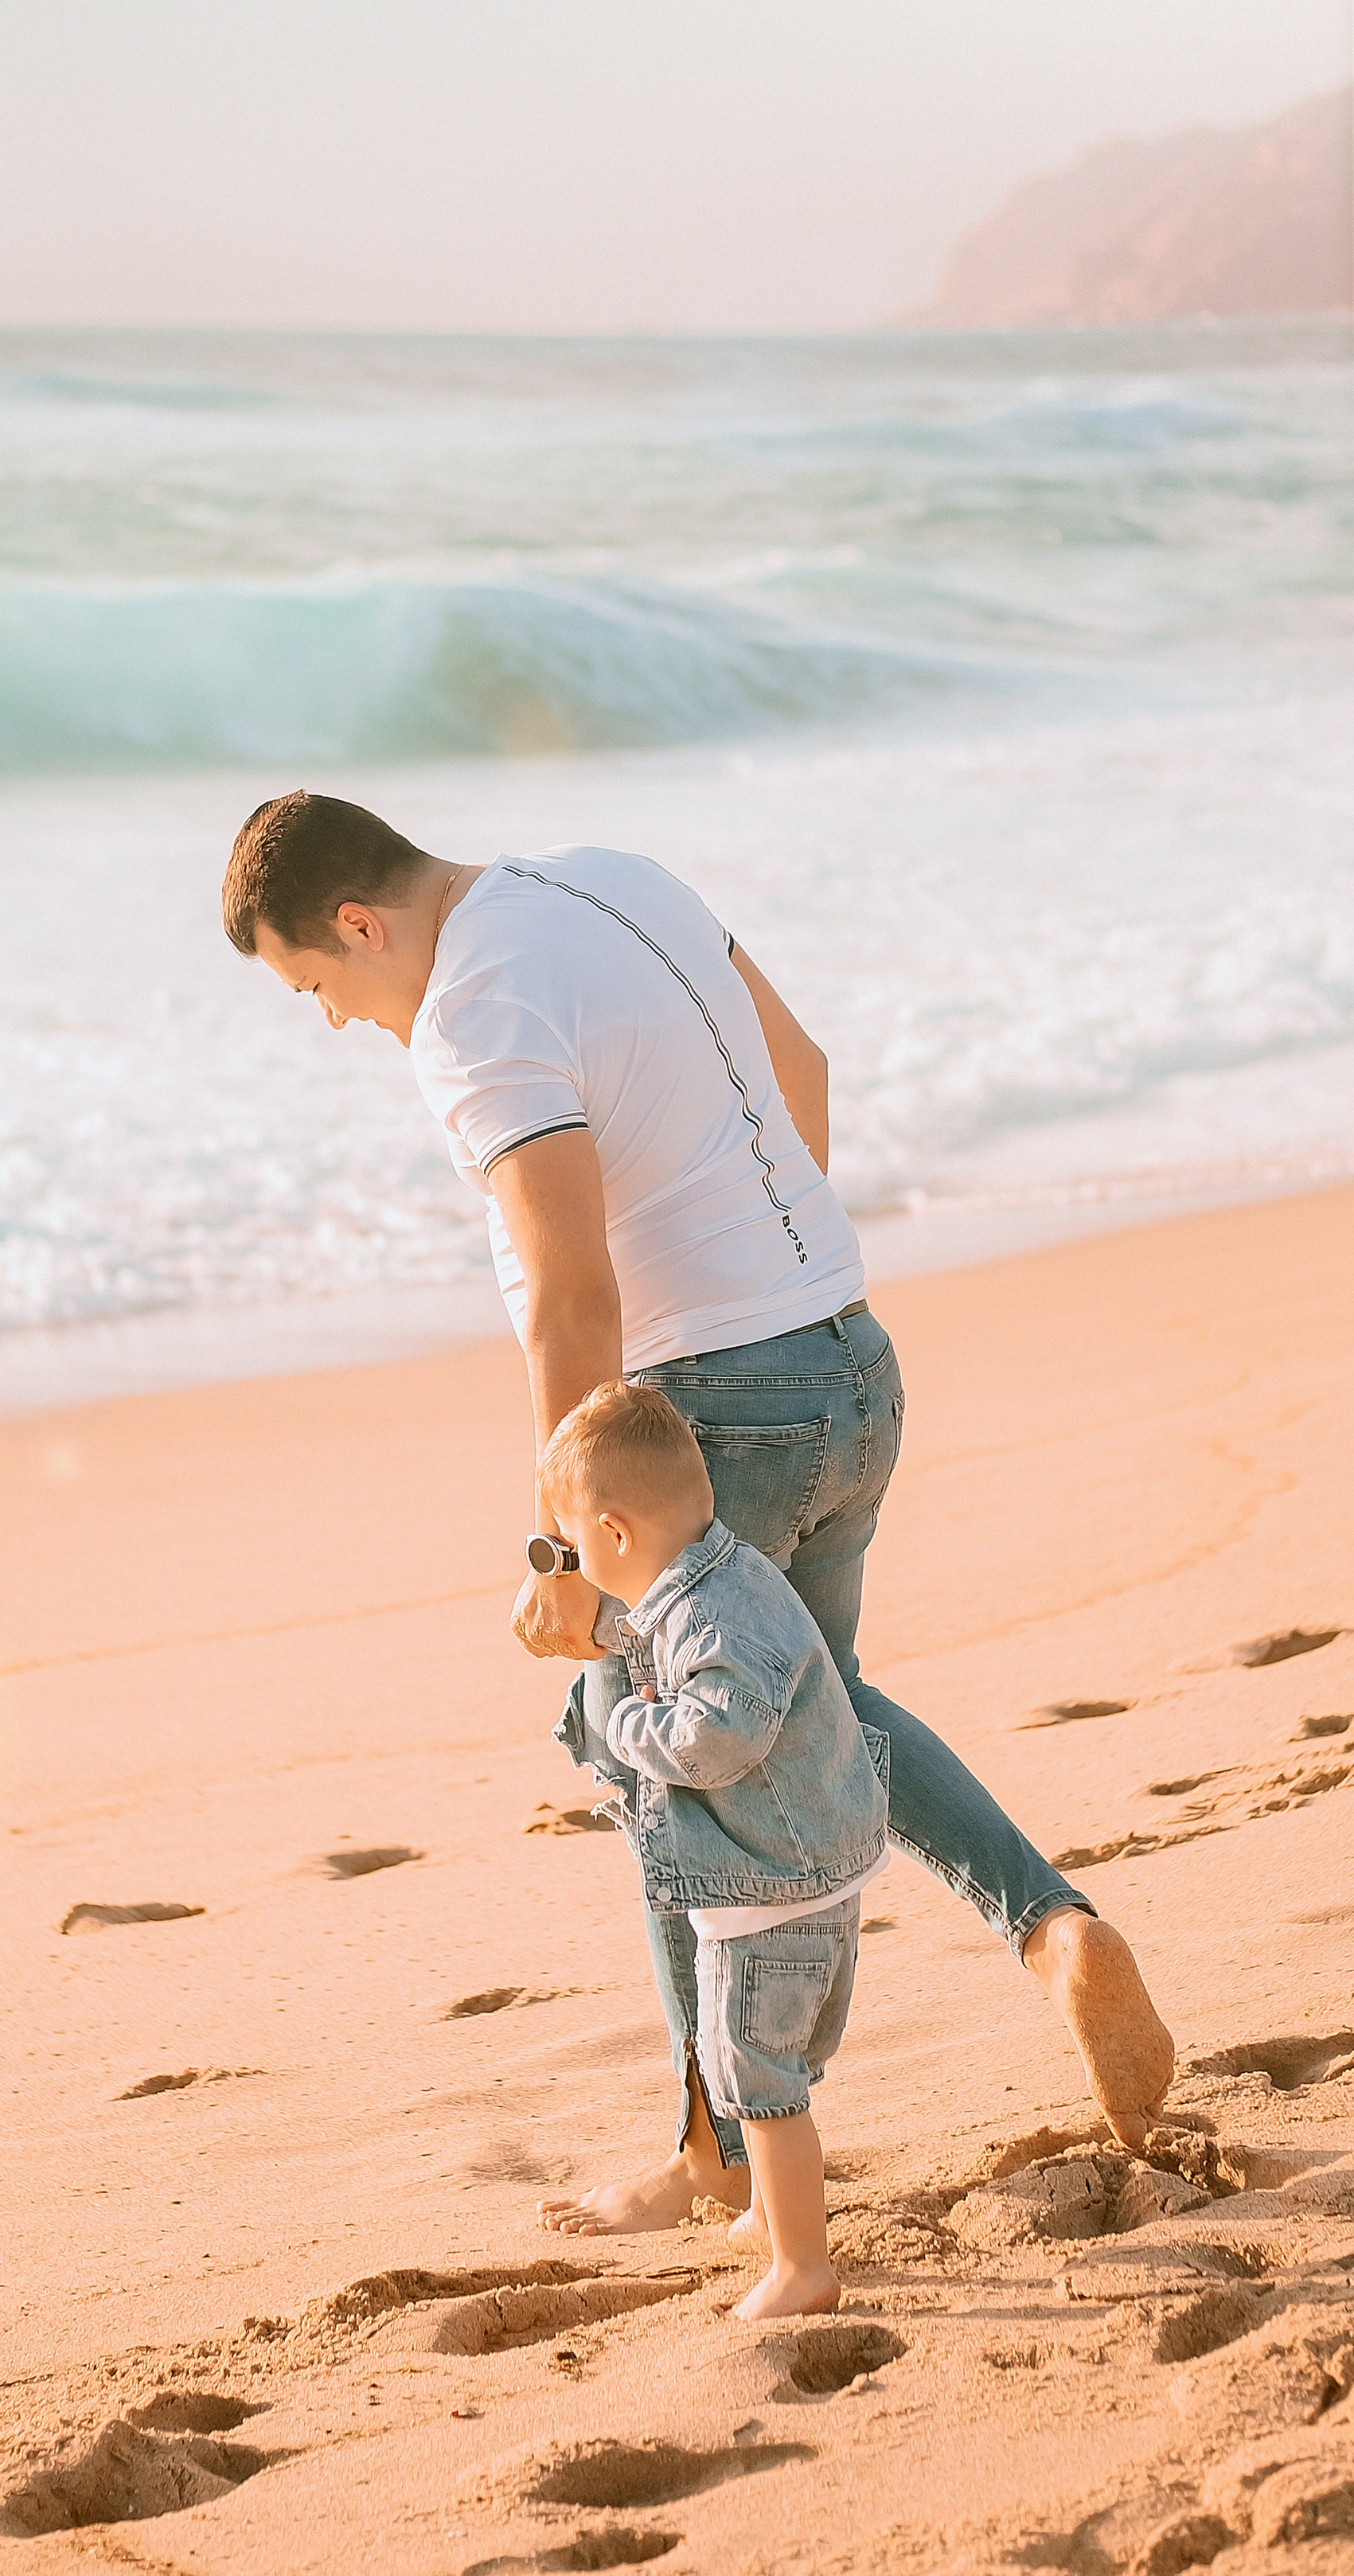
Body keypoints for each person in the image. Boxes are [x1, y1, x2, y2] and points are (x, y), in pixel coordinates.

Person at [221, 790, 1176, 2233]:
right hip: (848, 1359)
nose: (341, 1021)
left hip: (711, 1422)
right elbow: (805, 1064)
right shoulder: (611, 876)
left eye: (321, 988)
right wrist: (775, 1299)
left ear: (359, 923)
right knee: (821, 1711)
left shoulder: (473, 1014)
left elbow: (572, 1290)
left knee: (673, 1773)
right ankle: (1055, 1931)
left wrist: (566, 1549)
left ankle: (717, 2150)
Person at [540, 1376, 886, 2317]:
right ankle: (777, 2221)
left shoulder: (710, 1618)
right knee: (777, 2064)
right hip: (808, 1871)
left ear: (611, 1536)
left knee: (759, 2079)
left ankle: (802, 2267)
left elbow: (719, 1734)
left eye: (565, 1546)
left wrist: (628, 1731)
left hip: (771, 1890)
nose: (566, 1562)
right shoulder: (724, 1573)